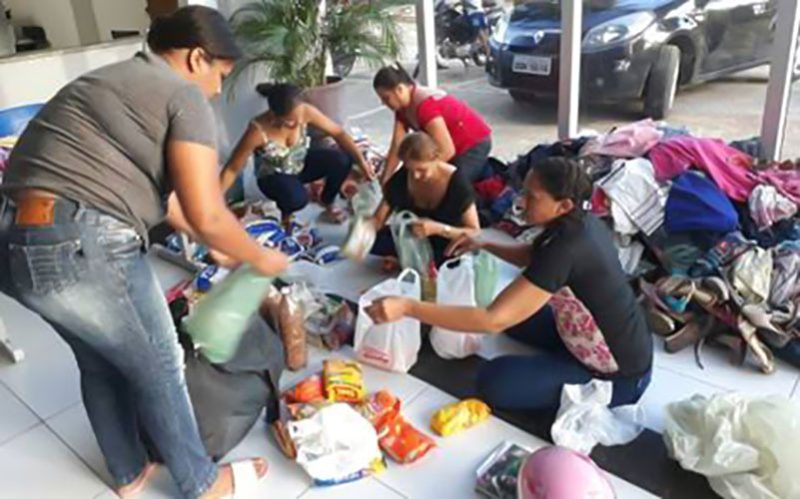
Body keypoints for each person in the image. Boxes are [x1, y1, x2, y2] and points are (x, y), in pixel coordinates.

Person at [0, 7, 286, 498]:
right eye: (220, 74)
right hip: (80, 241)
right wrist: (260, 258)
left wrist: (217, 247)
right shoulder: (182, 94)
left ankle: (128, 472)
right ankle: (200, 482)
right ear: (196, 58)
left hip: (14, 243)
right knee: (161, 361)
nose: (217, 89)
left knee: (98, 360)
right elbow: (207, 213)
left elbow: (170, 203)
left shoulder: (107, 81)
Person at [367, 157, 653, 413]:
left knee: (494, 380)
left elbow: (491, 320)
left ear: (563, 205)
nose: (521, 201)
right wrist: (484, 243)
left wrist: (408, 307)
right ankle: (559, 363)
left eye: (532, 197)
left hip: (618, 374)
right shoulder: (577, 222)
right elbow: (532, 257)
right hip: (592, 333)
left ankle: (572, 373)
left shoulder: (567, 248)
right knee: (516, 319)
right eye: (523, 191)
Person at [220, 83, 374, 225]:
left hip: (299, 164)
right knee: (297, 199)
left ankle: (327, 201)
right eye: (291, 122)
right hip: (273, 176)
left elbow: (338, 133)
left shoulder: (304, 112)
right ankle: (285, 216)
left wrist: (361, 162)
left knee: (342, 160)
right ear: (274, 116)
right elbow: (232, 168)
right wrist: (214, 201)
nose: (299, 123)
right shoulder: (257, 130)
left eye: (301, 119)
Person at [370, 132, 480, 266]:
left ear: (436, 158)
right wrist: (363, 232)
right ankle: (405, 260)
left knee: (454, 258)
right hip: (413, 239)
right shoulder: (404, 176)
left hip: (444, 243)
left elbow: (475, 232)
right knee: (375, 241)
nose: (416, 176)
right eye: (411, 170)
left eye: (422, 170)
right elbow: (379, 218)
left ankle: (407, 261)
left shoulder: (457, 184)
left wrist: (439, 229)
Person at [373, 64, 493, 185]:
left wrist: (423, 173)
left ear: (400, 89)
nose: (384, 103)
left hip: (474, 144)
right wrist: (386, 178)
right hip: (453, 146)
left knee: (452, 186)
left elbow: (446, 150)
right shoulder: (401, 110)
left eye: (386, 98)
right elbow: (397, 145)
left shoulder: (425, 106)